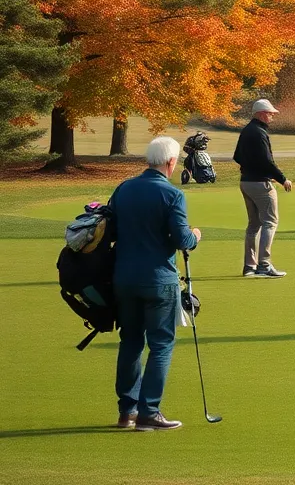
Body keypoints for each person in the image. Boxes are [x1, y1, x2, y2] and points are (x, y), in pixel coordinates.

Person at [111, 136, 202, 431]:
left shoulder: (124, 189)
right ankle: (149, 412)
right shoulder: (173, 195)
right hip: (158, 281)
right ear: (171, 162)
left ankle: (127, 412)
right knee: (161, 344)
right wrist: (196, 235)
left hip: (123, 278)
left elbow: (111, 228)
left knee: (131, 342)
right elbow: (182, 240)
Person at [233, 98, 291, 278]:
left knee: (254, 224)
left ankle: (249, 266)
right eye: (269, 113)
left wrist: (253, 170)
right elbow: (267, 161)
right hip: (260, 184)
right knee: (270, 222)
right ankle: (264, 265)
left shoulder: (247, 131)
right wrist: (282, 179)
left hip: (246, 182)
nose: (272, 116)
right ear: (260, 114)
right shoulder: (259, 133)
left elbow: (237, 157)